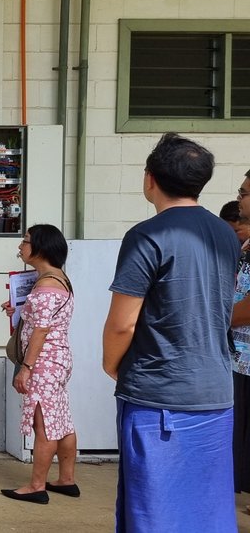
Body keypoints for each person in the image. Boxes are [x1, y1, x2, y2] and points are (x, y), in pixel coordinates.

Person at [102, 133, 239, 532]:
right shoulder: (226, 234)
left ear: (150, 179)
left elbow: (122, 323)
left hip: (158, 396)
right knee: (207, 510)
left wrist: (112, 364)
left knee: (154, 511)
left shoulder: (147, 235)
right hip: (215, 392)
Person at [0, 224, 78, 504]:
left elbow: (41, 330)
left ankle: (36, 486)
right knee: (62, 420)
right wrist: (18, 310)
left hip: (44, 362)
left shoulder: (45, 286)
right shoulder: (58, 279)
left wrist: (26, 368)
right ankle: (66, 479)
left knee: (42, 424)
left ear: (41, 248)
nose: (20, 246)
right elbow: (40, 320)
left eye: (26, 241)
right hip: (58, 359)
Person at [232, 172, 250, 509]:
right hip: (241, 360)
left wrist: (210, 321)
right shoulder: (246, 246)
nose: (239, 198)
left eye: (245, 192)